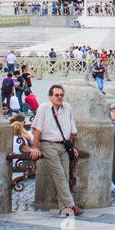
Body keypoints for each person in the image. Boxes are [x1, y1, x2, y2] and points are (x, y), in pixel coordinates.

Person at [30, 85, 82, 217]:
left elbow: (71, 130)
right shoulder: (44, 108)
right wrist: (35, 147)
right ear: (50, 97)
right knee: (59, 173)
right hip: (48, 144)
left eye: (61, 95)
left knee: (64, 174)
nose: (59, 97)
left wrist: (71, 147)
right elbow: (37, 130)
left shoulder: (68, 108)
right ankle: (71, 204)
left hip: (63, 145)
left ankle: (63, 207)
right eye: (56, 95)